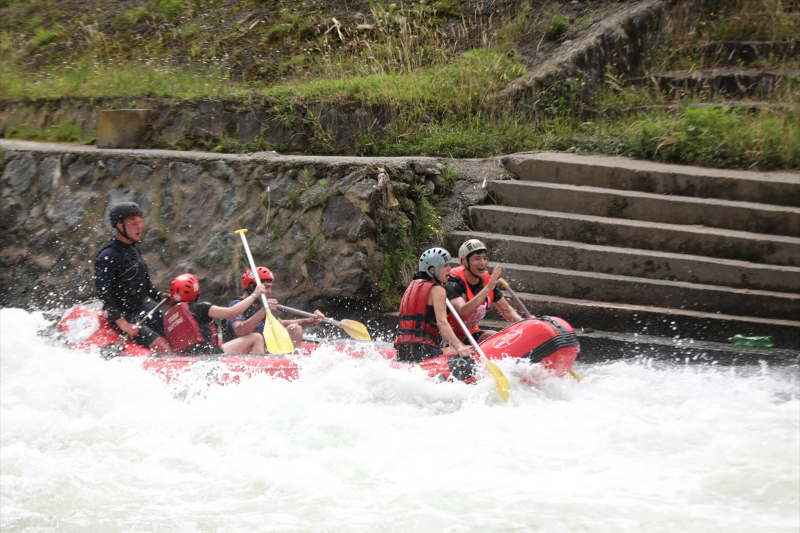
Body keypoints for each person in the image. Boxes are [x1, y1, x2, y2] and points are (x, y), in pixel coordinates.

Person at [94, 201, 173, 355]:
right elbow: (104, 293)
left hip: (141, 310)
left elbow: (145, 284)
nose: (139, 227)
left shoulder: (134, 250)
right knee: (159, 345)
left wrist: (159, 297)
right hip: (124, 315)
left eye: (139, 223)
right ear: (119, 226)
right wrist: (122, 322)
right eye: (133, 223)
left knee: (174, 330)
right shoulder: (107, 255)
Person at [394, 248, 472, 364]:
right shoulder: (438, 290)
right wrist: (459, 347)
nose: (450, 269)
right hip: (424, 351)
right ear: (432, 270)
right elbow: (442, 323)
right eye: (445, 266)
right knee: (471, 349)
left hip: (403, 350)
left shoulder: (411, 286)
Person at [222, 267, 325, 350]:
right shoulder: (235, 304)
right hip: (240, 354)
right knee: (257, 337)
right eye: (266, 287)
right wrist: (263, 312)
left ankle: (293, 365)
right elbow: (239, 331)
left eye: (270, 287)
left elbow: (282, 324)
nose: (270, 292)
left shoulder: (260, 306)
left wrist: (311, 320)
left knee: (295, 328)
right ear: (253, 287)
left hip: (261, 350)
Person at [163, 274, 267, 355]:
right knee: (256, 338)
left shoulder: (168, 316)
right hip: (209, 355)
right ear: (196, 292)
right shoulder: (199, 308)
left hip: (186, 359)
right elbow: (232, 312)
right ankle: (259, 374)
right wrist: (254, 294)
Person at [444, 239, 522, 344]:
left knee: (495, 337)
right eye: (477, 259)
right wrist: (487, 289)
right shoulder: (453, 282)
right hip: (446, 337)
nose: (482, 263)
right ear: (464, 262)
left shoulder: (487, 280)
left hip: (469, 334)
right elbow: (462, 313)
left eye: (485, 258)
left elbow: (507, 312)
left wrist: (525, 323)